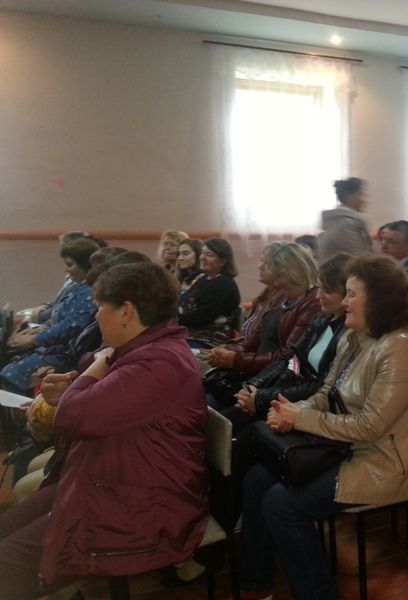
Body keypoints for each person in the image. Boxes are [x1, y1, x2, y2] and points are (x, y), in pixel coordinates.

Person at [0, 262, 208, 599]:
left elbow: (72, 417)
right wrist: (76, 381)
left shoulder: (159, 362)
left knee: (7, 560)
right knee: (6, 529)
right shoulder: (147, 347)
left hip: (144, 505)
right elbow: (98, 384)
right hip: (116, 480)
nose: (96, 315)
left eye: (100, 307)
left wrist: (89, 375)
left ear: (126, 312)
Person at [236, 254, 408, 600]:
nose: (344, 302)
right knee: (257, 478)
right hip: (345, 446)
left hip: (386, 462)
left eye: (352, 294)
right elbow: (326, 392)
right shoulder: (354, 336)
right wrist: (292, 409)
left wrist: (300, 418)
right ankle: (256, 584)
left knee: (283, 505)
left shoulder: (401, 349)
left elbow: (371, 427)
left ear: (379, 301)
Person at [223, 253, 350, 434]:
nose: (319, 295)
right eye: (320, 287)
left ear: (348, 294)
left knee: (238, 432)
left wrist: (261, 398)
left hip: (306, 406)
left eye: (328, 291)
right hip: (287, 391)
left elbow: (320, 386)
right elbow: (290, 357)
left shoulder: (347, 333)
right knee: (223, 420)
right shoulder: (323, 318)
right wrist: (253, 387)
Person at [206, 243, 320, 400]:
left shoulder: (312, 303)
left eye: (278, 275)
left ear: (290, 273)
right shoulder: (282, 295)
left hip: (278, 380)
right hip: (259, 372)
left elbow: (288, 357)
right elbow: (258, 336)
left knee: (210, 401)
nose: (276, 282)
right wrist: (230, 351)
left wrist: (235, 360)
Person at [2, 239, 99, 395]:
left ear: (85, 265)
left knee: (9, 374)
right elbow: (57, 312)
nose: (66, 270)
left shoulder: (88, 293)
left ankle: (19, 408)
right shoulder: (76, 286)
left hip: (63, 354)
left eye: (70, 264)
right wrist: (40, 329)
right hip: (53, 347)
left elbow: (70, 326)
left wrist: (34, 339)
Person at [178, 238, 241, 345]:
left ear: (223, 261)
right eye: (202, 253)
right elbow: (182, 300)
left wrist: (170, 319)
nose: (202, 258)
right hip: (190, 334)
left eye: (209, 255)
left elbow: (200, 318)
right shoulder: (203, 278)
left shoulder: (224, 284)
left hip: (209, 339)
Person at [318, 177, 372, 261]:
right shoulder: (346, 224)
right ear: (349, 196)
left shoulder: (339, 220)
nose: (364, 200)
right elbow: (360, 259)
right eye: (360, 195)